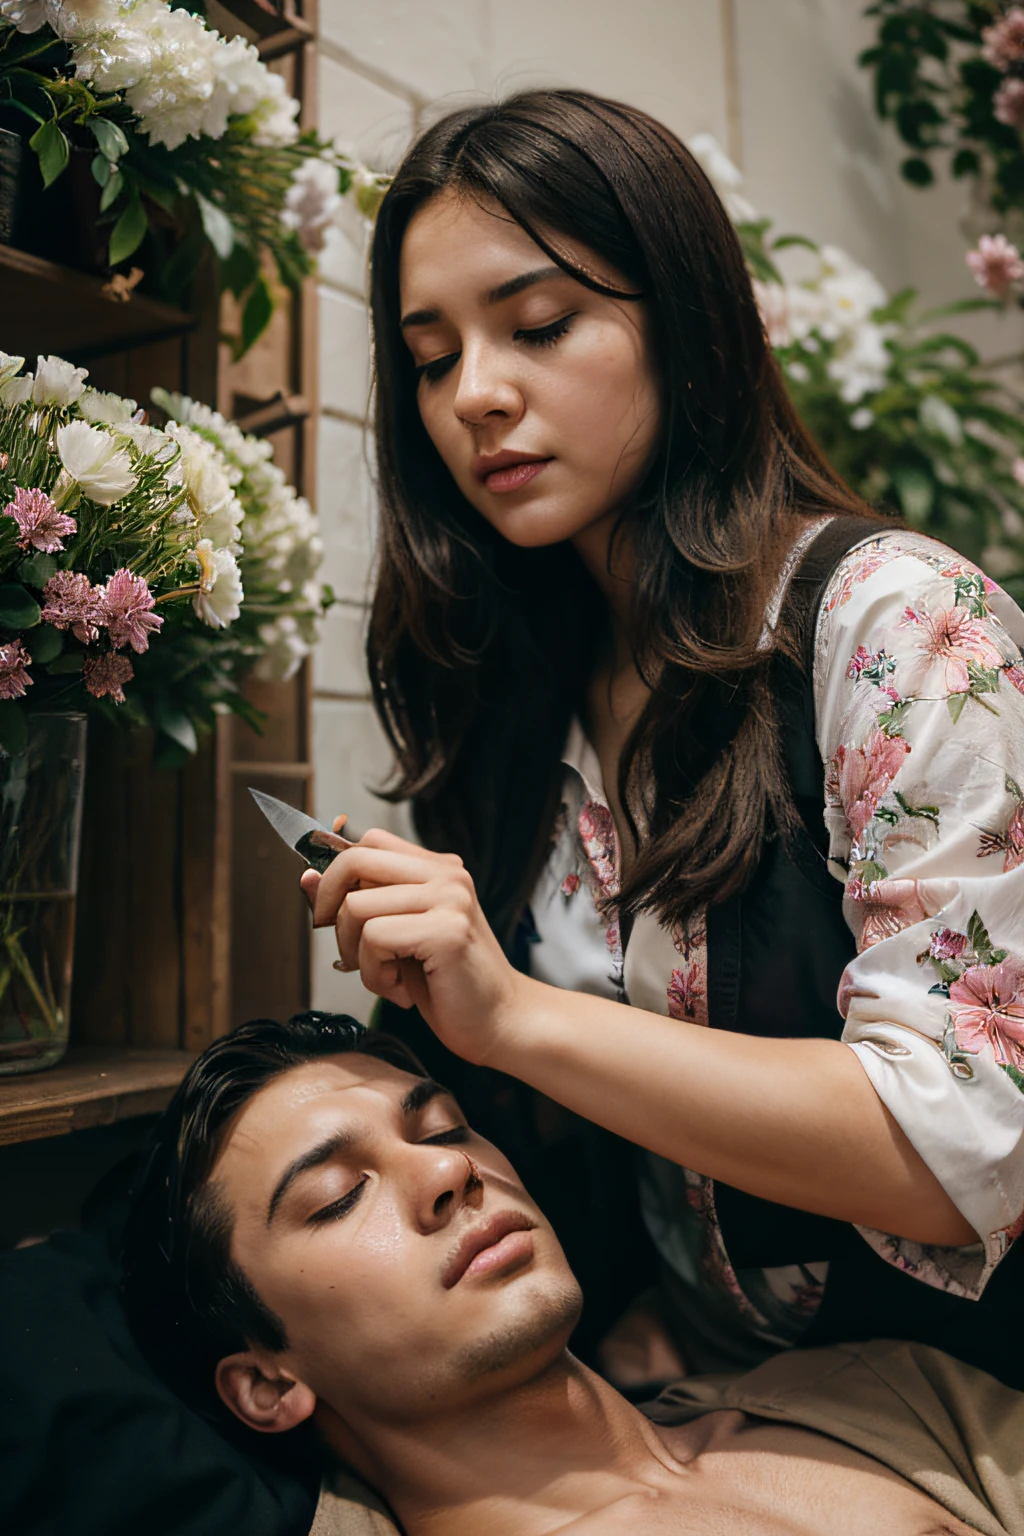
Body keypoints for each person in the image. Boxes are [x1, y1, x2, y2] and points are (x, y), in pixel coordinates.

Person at [303, 88, 1024, 1386]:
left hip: (967, 1385)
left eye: (538, 324)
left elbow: (964, 1148)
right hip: (706, 1377)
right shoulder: (508, 685)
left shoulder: (901, 628)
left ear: (686, 321)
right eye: (428, 356)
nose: (474, 394)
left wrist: (512, 1015)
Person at [122, 1013, 1024, 1536]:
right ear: (267, 1381)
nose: (449, 1173)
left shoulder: (879, 1389)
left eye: (442, 1130)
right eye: (334, 1198)